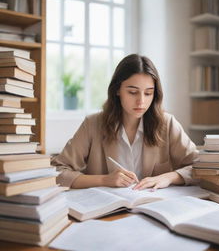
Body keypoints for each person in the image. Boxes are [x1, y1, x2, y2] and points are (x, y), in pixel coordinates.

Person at [51, 54, 198, 190]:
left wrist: (169, 177)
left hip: (153, 208)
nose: (141, 101)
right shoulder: (92, 124)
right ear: (117, 90)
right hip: (108, 212)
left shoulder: (167, 124)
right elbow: (58, 171)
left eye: (148, 93)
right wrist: (104, 180)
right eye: (133, 92)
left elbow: (202, 167)